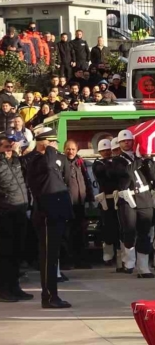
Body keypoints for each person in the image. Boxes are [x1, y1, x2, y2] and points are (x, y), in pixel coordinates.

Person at [24, 128, 73, 308]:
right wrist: (49, 150)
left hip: (56, 214)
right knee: (47, 258)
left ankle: (53, 295)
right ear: (43, 142)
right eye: (52, 143)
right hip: (46, 215)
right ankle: (49, 296)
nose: (55, 147)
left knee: (53, 257)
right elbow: (48, 166)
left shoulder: (50, 160)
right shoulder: (36, 161)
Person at [110, 129, 155, 278]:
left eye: (129, 140)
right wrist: (138, 159)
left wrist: (149, 160)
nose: (127, 143)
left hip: (144, 197)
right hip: (128, 198)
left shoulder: (142, 159)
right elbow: (127, 172)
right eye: (124, 141)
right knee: (129, 231)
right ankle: (128, 261)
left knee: (144, 232)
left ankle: (143, 267)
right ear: (119, 143)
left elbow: (154, 176)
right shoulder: (117, 160)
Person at [0, 135, 32, 302]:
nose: (8, 150)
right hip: (5, 214)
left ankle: (14, 287)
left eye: (9, 146)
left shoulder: (14, 162)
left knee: (17, 253)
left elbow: (23, 166)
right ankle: (4, 289)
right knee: (5, 254)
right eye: (4, 147)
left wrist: (15, 153)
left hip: (20, 211)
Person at [62, 140, 94, 269]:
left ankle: (80, 260)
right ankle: (65, 261)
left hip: (80, 203)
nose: (70, 151)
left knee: (80, 233)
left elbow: (87, 180)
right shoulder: (61, 163)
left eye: (73, 149)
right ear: (64, 149)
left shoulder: (80, 163)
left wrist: (90, 198)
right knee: (66, 234)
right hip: (66, 204)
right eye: (68, 149)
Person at [92, 138, 119, 267]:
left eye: (109, 150)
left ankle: (120, 256)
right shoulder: (98, 164)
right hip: (106, 200)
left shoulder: (116, 161)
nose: (107, 153)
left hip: (118, 197)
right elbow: (103, 173)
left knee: (120, 227)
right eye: (103, 151)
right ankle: (108, 255)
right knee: (108, 228)